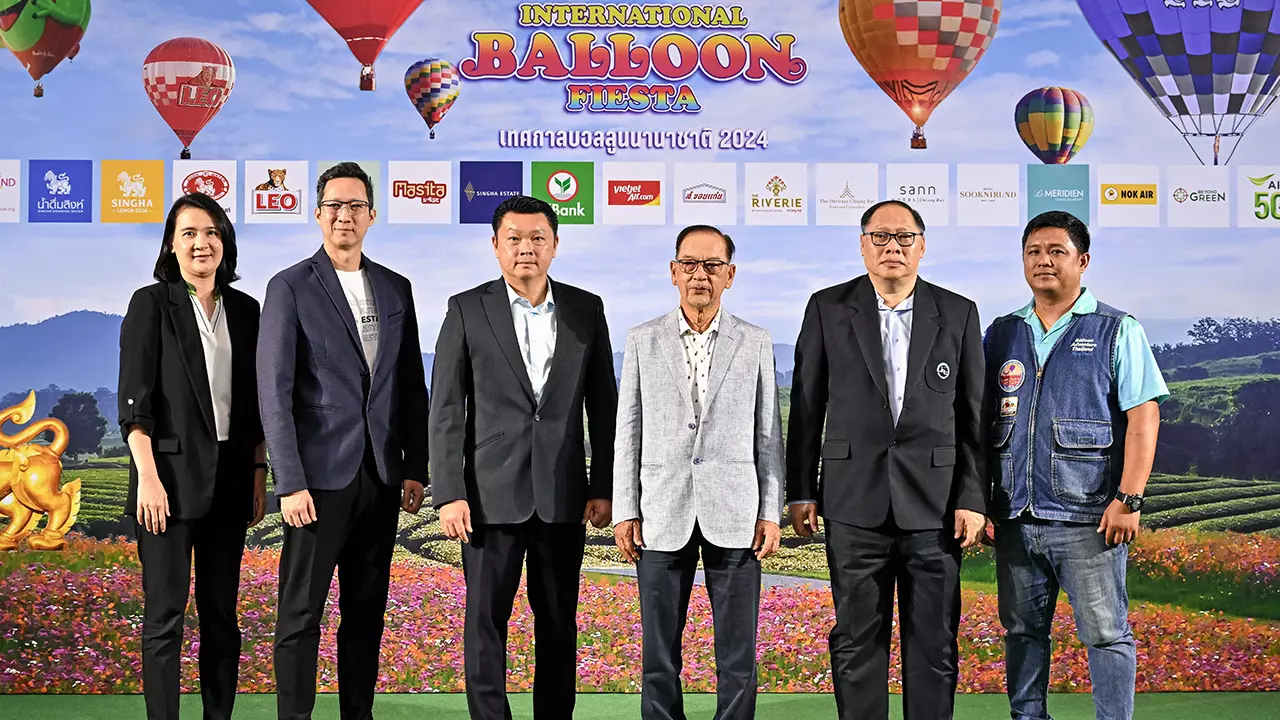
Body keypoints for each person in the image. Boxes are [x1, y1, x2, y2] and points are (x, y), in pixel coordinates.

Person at [786, 200, 988, 720]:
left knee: (934, 642)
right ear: (862, 245)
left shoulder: (959, 312)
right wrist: (801, 490)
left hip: (936, 506)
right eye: (880, 236)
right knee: (856, 640)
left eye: (903, 237)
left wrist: (972, 497)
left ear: (922, 246)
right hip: (853, 501)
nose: (891, 246)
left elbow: (973, 417)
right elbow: (807, 406)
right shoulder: (827, 307)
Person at [429, 194, 618, 720]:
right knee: (485, 623)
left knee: (558, 623)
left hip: (563, 496)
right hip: (487, 499)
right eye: (514, 238)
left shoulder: (586, 309)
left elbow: (605, 408)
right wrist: (449, 493)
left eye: (538, 238)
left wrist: (603, 486)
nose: (526, 248)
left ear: (555, 244)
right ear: (495, 245)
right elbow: (446, 408)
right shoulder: (466, 308)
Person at [257, 162, 430, 720]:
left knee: (365, 613)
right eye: (334, 205)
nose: (344, 215)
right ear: (317, 213)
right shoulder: (289, 286)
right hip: (316, 482)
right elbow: (274, 392)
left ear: (372, 215)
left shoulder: (396, 287)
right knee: (300, 614)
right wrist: (289, 481)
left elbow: (411, 385)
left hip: (380, 477)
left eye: (355, 206)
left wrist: (415, 465)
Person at [985, 210, 1167, 720]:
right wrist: (981, 502)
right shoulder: (1001, 333)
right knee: (1021, 632)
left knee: (1107, 634)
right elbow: (978, 422)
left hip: (1090, 519)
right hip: (1015, 517)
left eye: (1056, 251)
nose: (1043, 261)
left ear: (1082, 261)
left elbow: (1144, 417)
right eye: (1033, 252)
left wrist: (1129, 499)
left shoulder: (1116, 328)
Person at [613, 225, 784, 720]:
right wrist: (626, 509)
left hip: (736, 513)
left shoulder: (755, 341)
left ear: (730, 275)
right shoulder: (642, 339)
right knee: (658, 655)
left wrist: (770, 512)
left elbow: (768, 435)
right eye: (689, 264)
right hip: (660, 512)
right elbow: (629, 430)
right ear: (673, 272)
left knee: (738, 655)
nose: (700, 275)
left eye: (712, 265)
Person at [118, 192, 269, 720]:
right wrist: (148, 479)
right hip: (166, 485)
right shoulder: (151, 304)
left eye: (211, 232)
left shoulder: (247, 311)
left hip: (230, 484)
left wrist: (257, 472)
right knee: (164, 618)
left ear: (225, 241)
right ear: (171, 245)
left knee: (222, 617)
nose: (201, 243)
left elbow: (254, 405)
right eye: (188, 233)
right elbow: (134, 406)